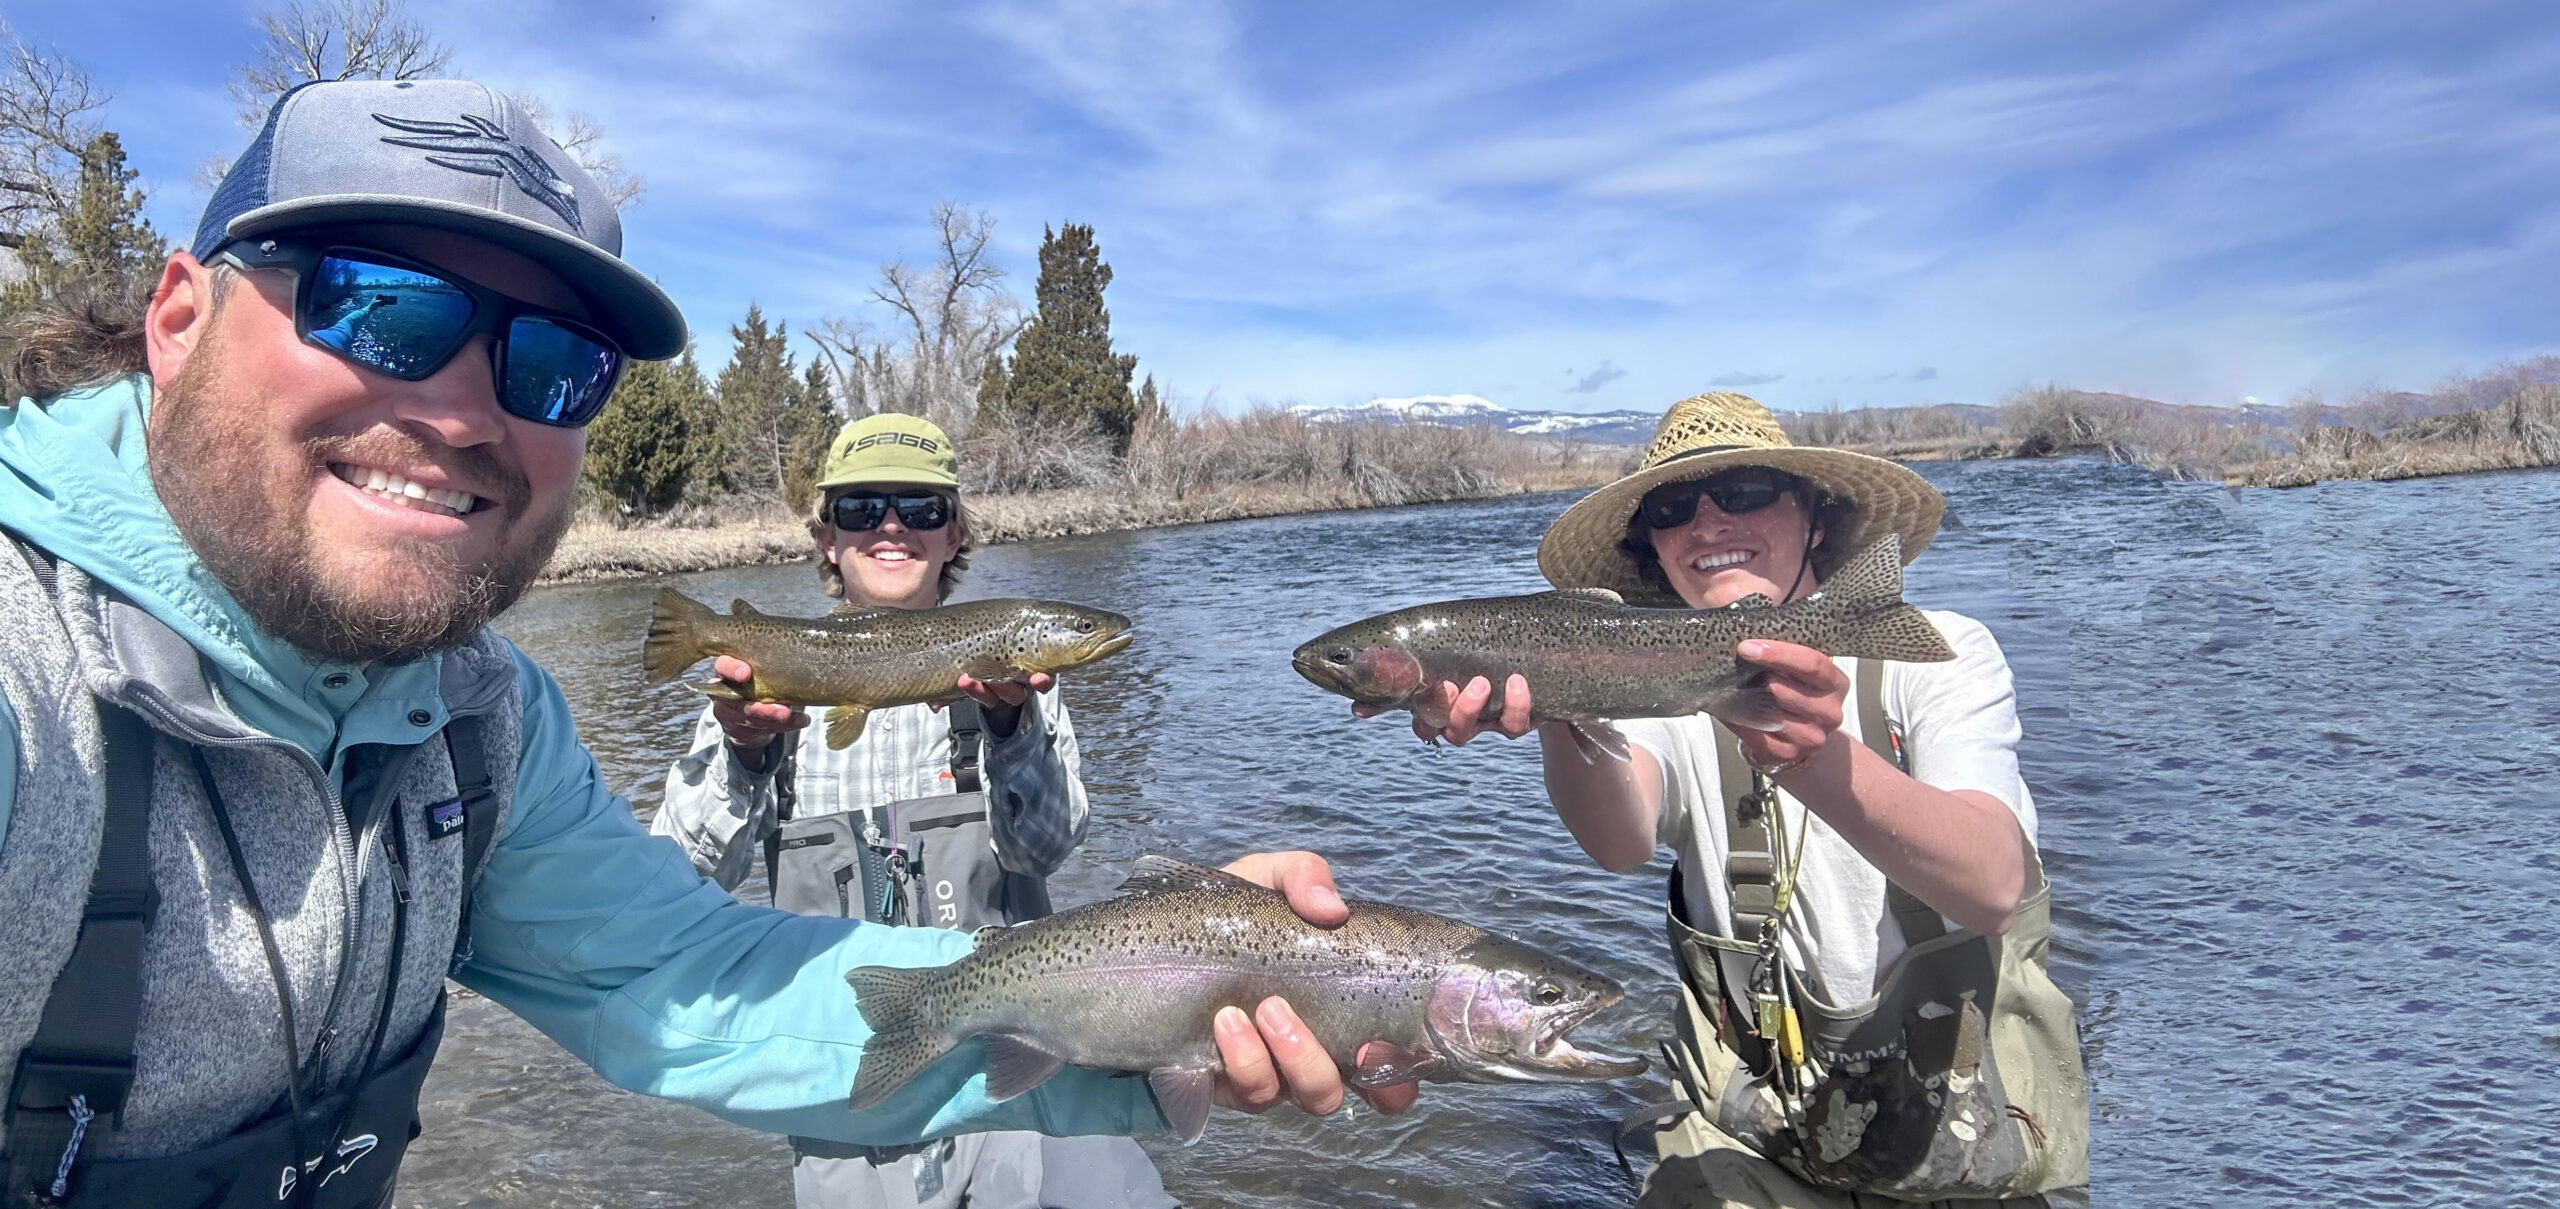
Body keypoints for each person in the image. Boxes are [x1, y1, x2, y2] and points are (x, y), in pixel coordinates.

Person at [0, 79, 1410, 1209]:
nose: (458, 409)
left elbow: (693, 977)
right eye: (381, 304)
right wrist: (742, 755)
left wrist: (1165, 990)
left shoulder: (481, 720)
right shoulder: (28, 679)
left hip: (990, 1055)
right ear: (178, 320)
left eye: (552, 362)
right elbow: (698, 872)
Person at [1356, 391, 2086, 1207]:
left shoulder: (1941, 654)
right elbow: (1618, 839)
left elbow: (1992, 886)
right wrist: (1564, 700)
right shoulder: (1660, 688)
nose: (1706, 522)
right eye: (1672, 507)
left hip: (1970, 1145)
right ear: (1654, 549)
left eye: (1743, 492)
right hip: (1750, 1139)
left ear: (1814, 516)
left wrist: (1812, 756)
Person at [651, 411, 1173, 1208]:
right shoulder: (759, 684)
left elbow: (1042, 853)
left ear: (956, 533)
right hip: (846, 1078)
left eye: (922, 509)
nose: (891, 527)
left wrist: (1010, 727)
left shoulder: (1023, 688)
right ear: (827, 537)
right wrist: (746, 753)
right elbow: (681, 878)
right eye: (862, 509)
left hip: (1019, 1067)